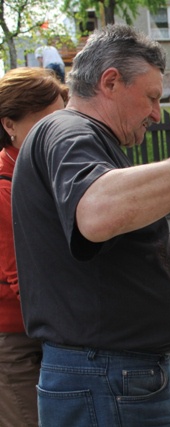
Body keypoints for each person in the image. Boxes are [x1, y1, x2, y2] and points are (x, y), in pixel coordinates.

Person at [11, 24, 170, 426]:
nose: (156, 113)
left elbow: (108, 273)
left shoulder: (90, 141)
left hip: (110, 378)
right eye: (150, 97)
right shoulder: (69, 130)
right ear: (110, 81)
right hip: (104, 379)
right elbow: (95, 214)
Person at [0, 67, 68, 427]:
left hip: (44, 331)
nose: (58, 134)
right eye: (44, 124)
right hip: (15, 341)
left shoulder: (40, 171)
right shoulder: (5, 190)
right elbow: (22, 282)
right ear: (10, 125)